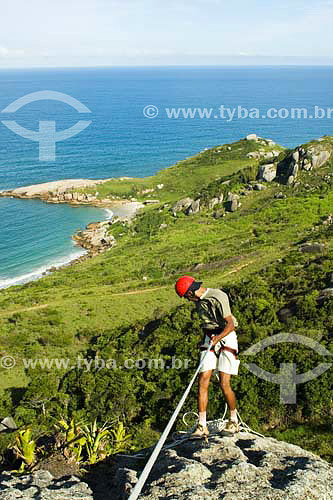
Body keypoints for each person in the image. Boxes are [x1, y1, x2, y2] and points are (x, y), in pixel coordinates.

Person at [175, 275, 240, 437]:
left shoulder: (218, 296)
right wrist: (206, 340)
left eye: (185, 297)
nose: (186, 300)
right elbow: (207, 324)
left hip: (227, 336)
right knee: (203, 379)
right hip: (210, 338)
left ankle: (233, 421)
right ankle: (201, 425)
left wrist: (218, 338)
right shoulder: (198, 303)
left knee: (224, 383)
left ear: (191, 293)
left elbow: (230, 323)